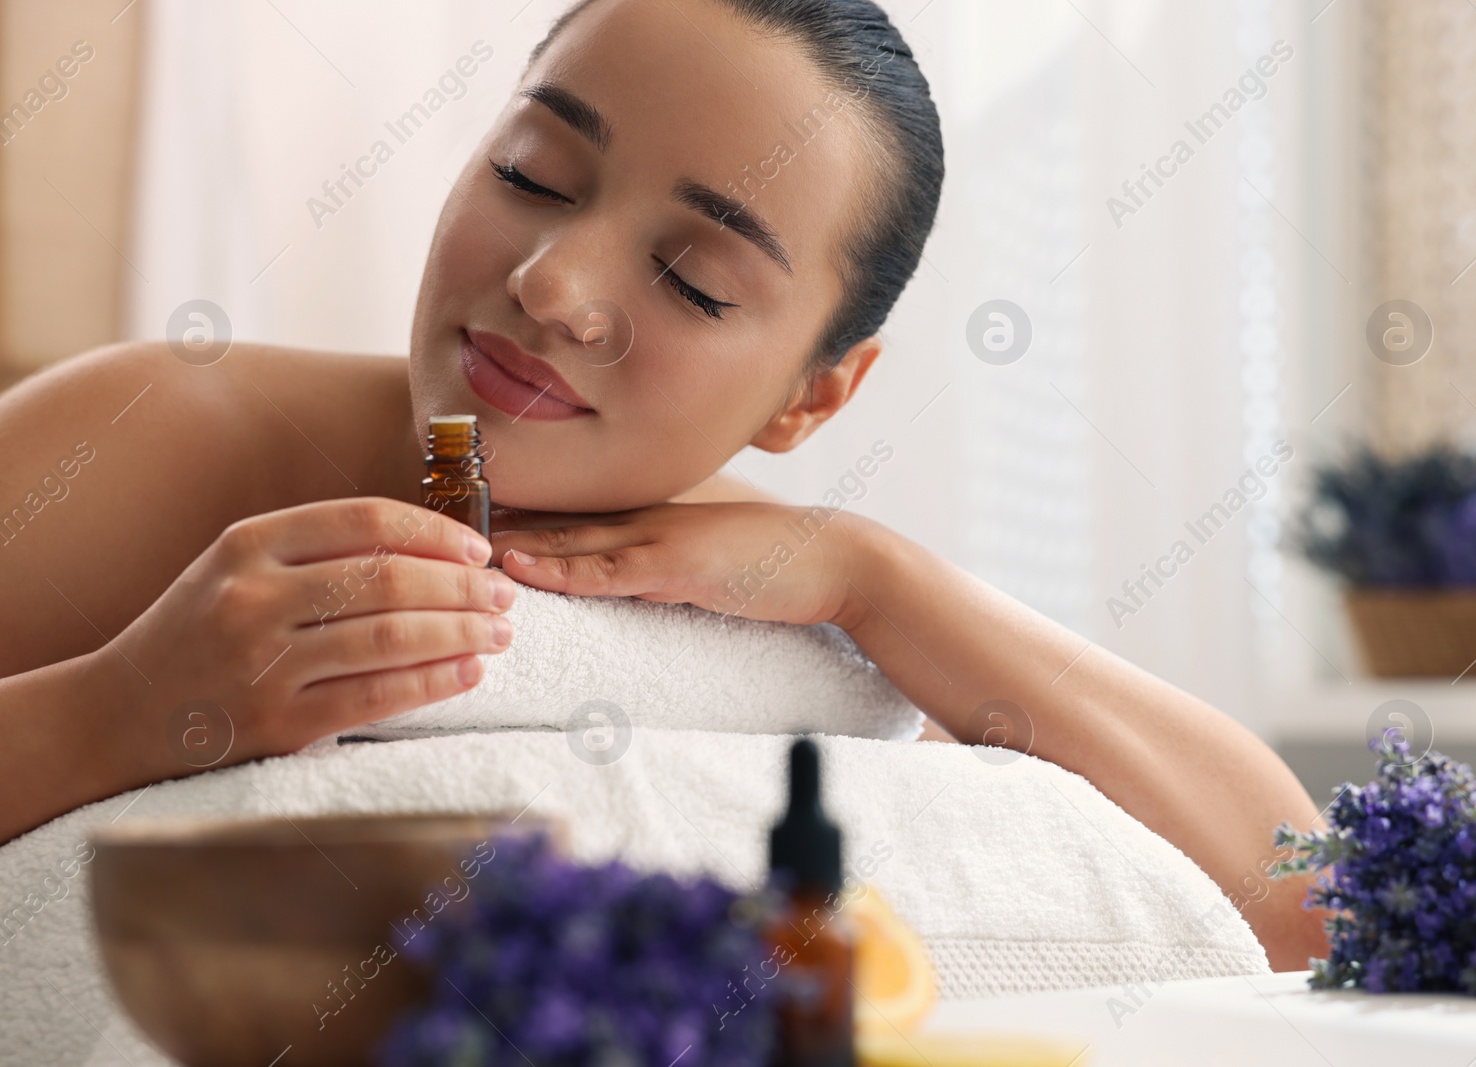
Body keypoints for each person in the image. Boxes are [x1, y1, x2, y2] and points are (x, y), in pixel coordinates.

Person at [0, 0, 1328, 968]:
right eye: (534, 175)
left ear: (814, 394)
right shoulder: (160, 433)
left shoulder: (766, 594)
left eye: (693, 279)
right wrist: (127, 708)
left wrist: (879, 576)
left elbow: (1300, 895)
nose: (552, 288)